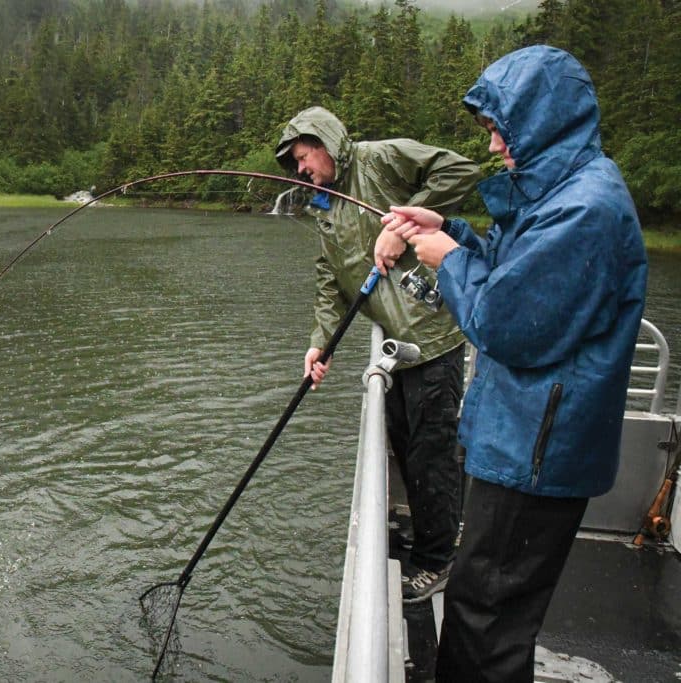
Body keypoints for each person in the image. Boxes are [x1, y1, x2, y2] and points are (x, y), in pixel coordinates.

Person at [382, 45, 648, 682]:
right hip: (527, 440)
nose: (496, 145)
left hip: (539, 451)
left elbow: (507, 323)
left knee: (485, 620)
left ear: (543, 120)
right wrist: (451, 227)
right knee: (490, 610)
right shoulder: (565, 193)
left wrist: (448, 258)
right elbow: (518, 270)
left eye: (502, 128)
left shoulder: (585, 210)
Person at [274, 106, 482, 603]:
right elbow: (331, 279)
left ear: (325, 143)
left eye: (305, 157)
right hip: (397, 347)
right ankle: (434, 532)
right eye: (296, 164)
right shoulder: (322, 204)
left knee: (432, 453)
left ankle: (438, 560)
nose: (301, 169)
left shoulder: (380, 159)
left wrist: (404, 220)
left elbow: (461, 170)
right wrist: (318, 343)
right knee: (408, 448)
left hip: (434, 336)